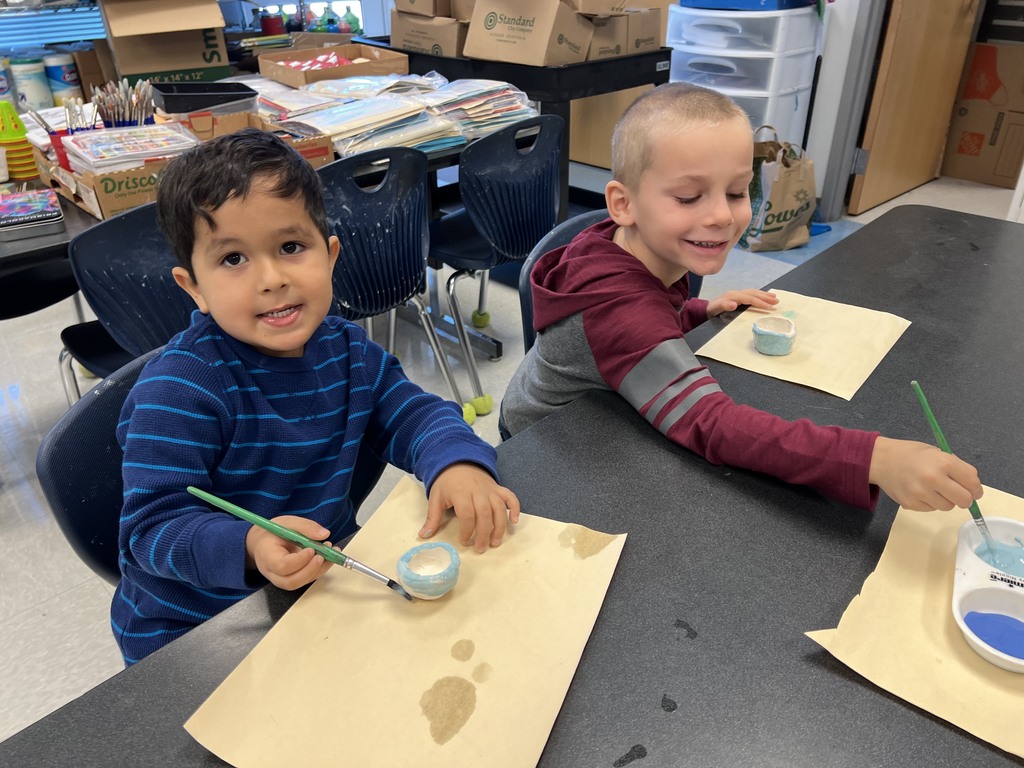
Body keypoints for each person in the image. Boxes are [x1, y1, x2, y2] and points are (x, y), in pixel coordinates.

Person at [113, 128, 520, 664]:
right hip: (199, 628)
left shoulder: (347, 349)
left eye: (290, 247)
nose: (272, 278)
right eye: (233, 259)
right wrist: (248, 546)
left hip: (320, 592)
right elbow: (151, 528)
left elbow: (413, 413)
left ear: (329, 256)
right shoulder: (181, 388)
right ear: (194, 288)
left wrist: (455, 462)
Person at [501, 82, 981, 514]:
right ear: (623, 204)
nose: (721, 217)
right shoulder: (619, 309)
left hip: (589, 407)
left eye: (736, 191)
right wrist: (874, 458)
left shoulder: (628, 242)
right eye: (689, 198)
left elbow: (643, 323)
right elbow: (712, 423)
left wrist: (698, 310)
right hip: (547, 445)